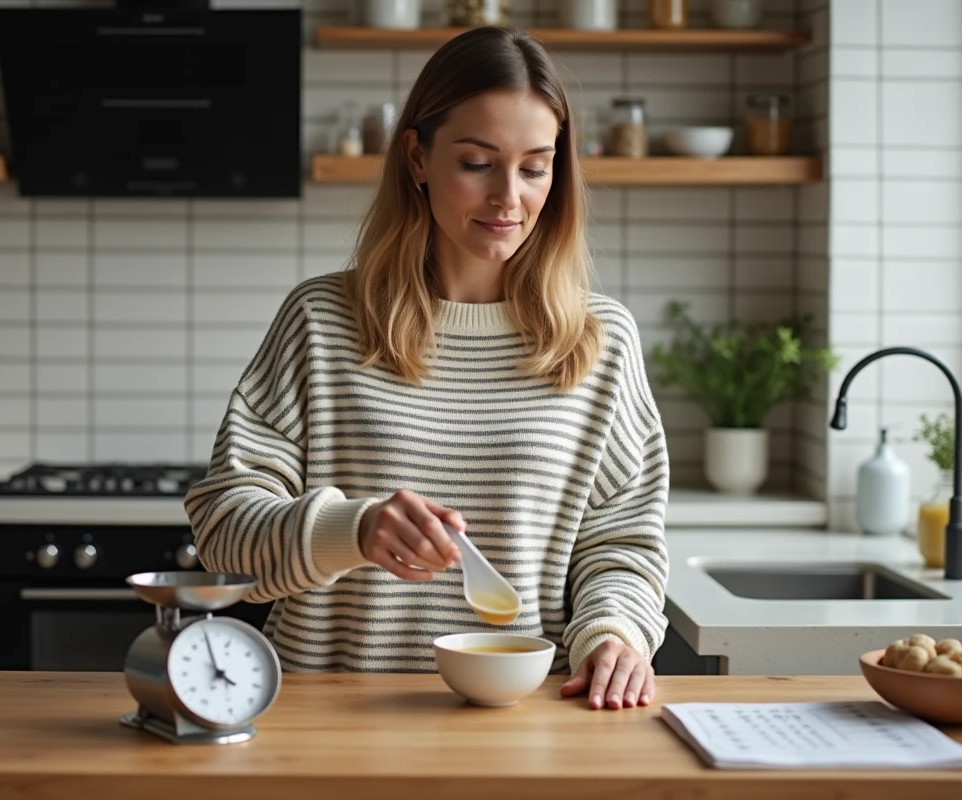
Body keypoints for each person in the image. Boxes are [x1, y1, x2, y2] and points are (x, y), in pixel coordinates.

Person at [184, 25, 669, 712]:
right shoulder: (322, 322)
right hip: (324, 724)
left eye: (535, 166)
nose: (510, 197)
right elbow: (225, 535)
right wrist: (350, 530)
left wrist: (615, 633)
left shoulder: (600, 340)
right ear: (417, 156)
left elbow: (621, 543)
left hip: (527, 729)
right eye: (477, 162)